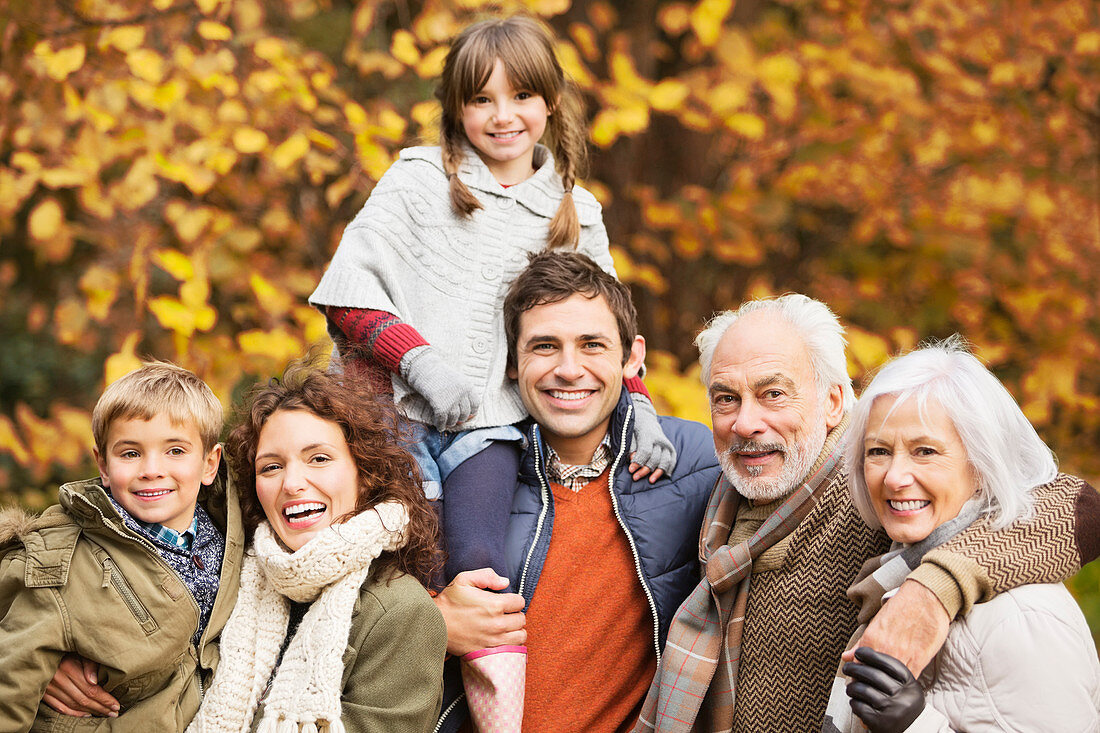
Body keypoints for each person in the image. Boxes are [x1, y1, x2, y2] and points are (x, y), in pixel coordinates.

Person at [307, 14, 675, 586]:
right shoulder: (417, 181)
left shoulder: (576, 211)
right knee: (406, 570)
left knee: (484, 567)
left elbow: (609, 331)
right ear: (457, 109)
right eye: (482, 99)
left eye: (522, 95)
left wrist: (641, 406)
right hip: (389, 412)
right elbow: (347, 298)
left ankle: (496, 675)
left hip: (491, 424)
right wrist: (421, 363)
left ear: (551, 101)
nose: (503, 117)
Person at [636, 294, 1100, 733]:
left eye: (773, 393)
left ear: (834, 402)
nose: (745, 422)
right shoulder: (712, 497)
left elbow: (1068, 508)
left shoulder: (874, 496)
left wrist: (933, 590)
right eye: (726, 398)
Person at [431, 251, 720, 732]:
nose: (569, 369)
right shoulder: (467, 477)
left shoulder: (698, 462)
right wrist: (433, 621)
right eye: (544, 346)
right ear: (510, 362)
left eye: (592, 345)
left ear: (632, 357)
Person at [822, 339, 1100, 732]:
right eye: (879, 451)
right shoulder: (889, 569)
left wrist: (916, 725)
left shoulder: (1023, 617)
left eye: (926, 452)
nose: (895, 477)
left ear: (982, 464)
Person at [187, 361, 447, 732]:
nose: (292, 483)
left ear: (366, 473)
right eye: (271, 467)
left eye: (319, 459)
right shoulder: (225, 580)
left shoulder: (402, 614)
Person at [0, 362, 243, 729]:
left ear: (210, 463)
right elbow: (9, 690)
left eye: (175, 451)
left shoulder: (237, 542)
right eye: (130, 453)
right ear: (103, 463)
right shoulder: (59, 562)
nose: (151, 469)